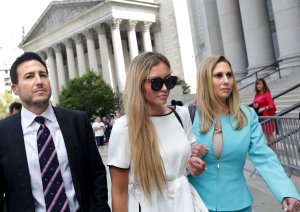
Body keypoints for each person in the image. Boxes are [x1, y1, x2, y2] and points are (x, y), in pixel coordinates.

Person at [0, 52, 111, 212]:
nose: (39, 81)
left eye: (43, 75)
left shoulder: (77, 121)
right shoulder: (3, 133)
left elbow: (96, 173)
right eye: (30, 76)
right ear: (15, 89)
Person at [188, 55, 300, 212]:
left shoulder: (247, 115)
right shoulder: (188, 116)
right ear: (205, 80)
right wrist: (187, 154)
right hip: (196, 204)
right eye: (218, 75)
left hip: (239, 205)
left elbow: (264, 157)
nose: (226, 80)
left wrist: (287, 191)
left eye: (229, 75)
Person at [107, 52, 207, 212]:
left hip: (185, 202)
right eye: (156, 82)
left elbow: (185, 159)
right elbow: (119, 191)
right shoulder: (124, 127)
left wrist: (194, 164)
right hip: (147, 206)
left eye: (169, 80)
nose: (165, 88)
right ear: (138, 83)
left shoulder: (181, 114)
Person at [252, 78, 277, 152]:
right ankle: (271, 152)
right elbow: (254, 104)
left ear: (263, 85)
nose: (258, 85)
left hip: (267, 116)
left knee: (270, 134)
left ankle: (275, 152)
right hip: (261, 117)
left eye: (260, 84)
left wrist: (263, 108)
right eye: (257, 84)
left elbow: (272, 105)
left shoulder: (266, 94)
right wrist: (255, 106)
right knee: (266, 135)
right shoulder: (257, 94)